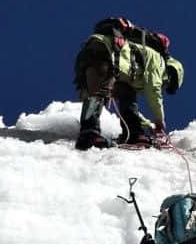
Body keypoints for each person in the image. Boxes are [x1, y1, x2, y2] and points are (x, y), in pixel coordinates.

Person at [73, 16, 184, 150]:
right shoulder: (158, 61)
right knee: (100, 93)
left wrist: (148, 125)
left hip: (95, 53)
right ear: (172, 74)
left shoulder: (136, 68)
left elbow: (132, 106)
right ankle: (89, 133)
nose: (164, 86)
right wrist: (159, 121)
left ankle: (134, 134)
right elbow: (153, 88)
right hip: (105, 51)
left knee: (127, 94)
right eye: (168, 84)